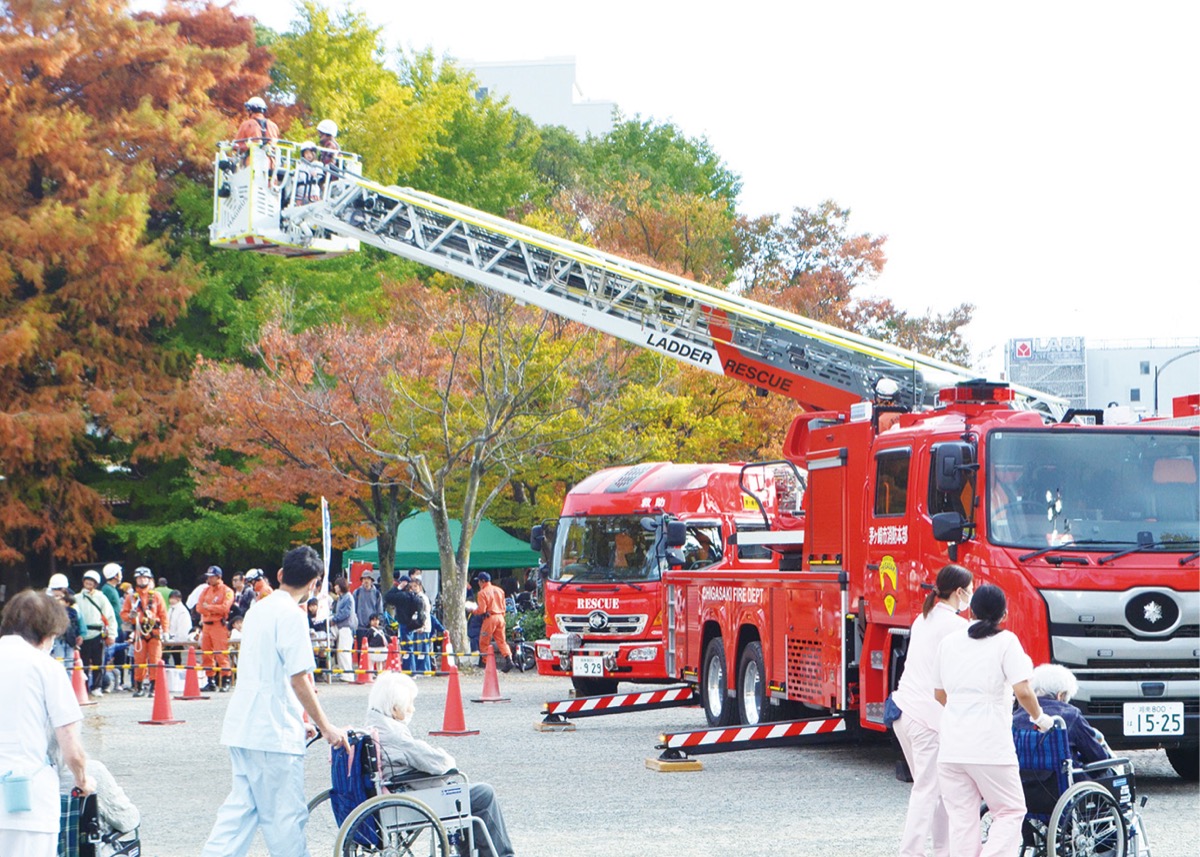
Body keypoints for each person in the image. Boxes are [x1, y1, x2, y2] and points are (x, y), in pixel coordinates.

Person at [199, 546, 348, 857]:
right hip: (273, 733)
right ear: (314, 585)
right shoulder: (292, 616)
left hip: (244, 725)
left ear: (280, 575)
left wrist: (301, 719)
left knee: (239, 815)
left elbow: (272, 674)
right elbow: (298, 679)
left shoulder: (257, 611)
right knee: (285, 820)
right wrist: (326, 727)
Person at [933, 583, 1053, 857]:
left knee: (963, 820)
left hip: (951, 747)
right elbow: (1023, 690)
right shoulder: (1006, 641)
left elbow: (940, 694)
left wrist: (963, 711)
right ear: (1004, 615)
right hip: (990, 747)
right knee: (1010, 810)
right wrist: (1040, 718)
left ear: (970, 611)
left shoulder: (948, 643)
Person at [365, 672, 516, 857]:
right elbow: (440, 763)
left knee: (464, 795)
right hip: (410, 799)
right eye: (410, 704)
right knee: (483, 794)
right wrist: (447, 760)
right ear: (395, 708)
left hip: (395, 793)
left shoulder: (374, 725)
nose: (412, 709)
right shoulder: (394, 734)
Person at [0, 590, 93, 857]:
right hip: (27, 798)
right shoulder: (45, 667)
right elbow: (70, 743)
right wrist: (83, 780)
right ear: (46, 633)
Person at [890, 564, 973, 857]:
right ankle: (911, 852)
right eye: (970, 589)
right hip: (928, 719)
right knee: (928, 789)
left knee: (936, 789)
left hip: (904, 713)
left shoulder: (923, 617)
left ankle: (943, 850)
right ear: (960, 591)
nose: (972, 594)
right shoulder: (956, 626)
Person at [1013, 663, 1110, 767]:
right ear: (1060, 695)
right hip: (1065, 781)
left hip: (1023, 781)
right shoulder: (1070, 716)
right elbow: (1098, 757)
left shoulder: (1015, 717)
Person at [120, 567, 168, 698]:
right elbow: (123, 614)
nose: (142, 580)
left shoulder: (156, 596)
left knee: (155, 659)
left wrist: (166, 631)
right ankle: (139, 686)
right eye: (139, 578)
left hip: (155, 631)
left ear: (149, 579)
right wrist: (130, 615)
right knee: (139, 660)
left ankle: (154, 687)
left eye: (144, 578)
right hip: (139, 631)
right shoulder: (131, 598)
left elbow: (163, 614)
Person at [76, 570, 117, 697]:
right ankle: (82, 686)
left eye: (92, 581)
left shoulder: (101, 598)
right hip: (82, 635)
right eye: (87, 580)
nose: (89, 583)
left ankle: (97, 686)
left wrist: (111, 634)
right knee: (82, 662)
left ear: (96, 584)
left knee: (98, 661)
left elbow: (110, 616)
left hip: (97, 633)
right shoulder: (77, 598)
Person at [197, 566, 234, 692]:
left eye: (212, 576)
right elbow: (199, 607)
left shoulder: (227, 591)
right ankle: (210, 681)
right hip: (206, 625)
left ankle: (226, 680)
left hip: (219, 625)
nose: (209, 578)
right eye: (208, 576)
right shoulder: (206, 590)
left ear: (218, 577)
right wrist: (212, 609)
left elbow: (225, 608)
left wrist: (210, 608)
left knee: (221, 654)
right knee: (206, 655)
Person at [472, 572, 512, 672]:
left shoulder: (482, 593)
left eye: (479, 582)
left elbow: (482, 609)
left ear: (482, 581)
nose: (478, 584)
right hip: (501, 617)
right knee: (502, 641)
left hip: (490, 618)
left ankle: (486, 663)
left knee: (484, 641)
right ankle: (509, 659)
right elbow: (504, 606)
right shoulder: (500, 590)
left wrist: (473, 611)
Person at [234, 96, 280, 169]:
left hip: (252, 165)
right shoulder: (273, 126)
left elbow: (237, 145)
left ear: (250, 110)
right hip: (271, 166)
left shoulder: (246, 124)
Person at [331, 577, 356, 683]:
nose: (335, 587)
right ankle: (344, 673)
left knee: (344, 651)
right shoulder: (341, 598)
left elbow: (345, 613)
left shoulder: (348, 598)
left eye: (336, 586)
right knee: (341, 651)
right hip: (341, 627)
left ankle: (348, 674)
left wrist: (334, 619)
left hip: (346, 627)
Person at [353, 571, 383, 653]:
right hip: (360, 627)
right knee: (360, 651)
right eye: (364, 579)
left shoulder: (376, 593)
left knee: (372, 651)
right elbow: (353, 610)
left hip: (373, 627)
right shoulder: (357, 592)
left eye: (368, 579)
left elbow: (380, 610)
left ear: (372, 580)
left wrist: (378, 623)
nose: (366, 581)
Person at [409, 578, 433, 674]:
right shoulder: (415, 597)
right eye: (412, 586)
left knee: (423, 649)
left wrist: (423, 626)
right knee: (417, 650)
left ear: (420, 586)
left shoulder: (422, 598)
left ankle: (425, 669)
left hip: (423, 627)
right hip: (416, 626)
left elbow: (425, 613)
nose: (413, 588)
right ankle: (420, 669)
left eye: (415, 586)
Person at [165, 589, 193, 668]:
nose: (172, 600)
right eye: (171, 598)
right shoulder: (170, 609)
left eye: (174, 598)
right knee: (166, 656)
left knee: (176, 657)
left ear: (179, 599)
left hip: (177, 638)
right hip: (169, 637)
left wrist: (177, 639)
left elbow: (183, 626)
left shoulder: (182, 611)